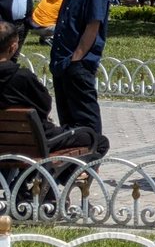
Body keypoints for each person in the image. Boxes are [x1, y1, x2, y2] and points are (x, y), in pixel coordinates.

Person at [0, 20, 108, 159]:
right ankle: (65, 176)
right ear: (13, 47)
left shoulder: (21, 76)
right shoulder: (22, 77)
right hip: (36, 139)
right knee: (97, 140)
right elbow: (44, 105)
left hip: (6, 142)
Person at [51, 0, 109, 137]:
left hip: (78, 63)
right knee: (67, 118)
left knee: (85, 117)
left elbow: (92, 27)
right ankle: (72, 162)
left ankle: (91, 160)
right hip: (61, 61)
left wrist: (77, 58)